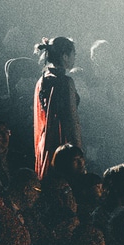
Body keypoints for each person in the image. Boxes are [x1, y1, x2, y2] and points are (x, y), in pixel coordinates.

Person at [32, 35, 81, 180]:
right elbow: (72, 119)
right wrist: (78, 151)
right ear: (65, 56)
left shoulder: (42, 80)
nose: (74, 58)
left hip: (46, 143)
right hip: (63, 144)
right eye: (73, 54)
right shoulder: (65, 82)